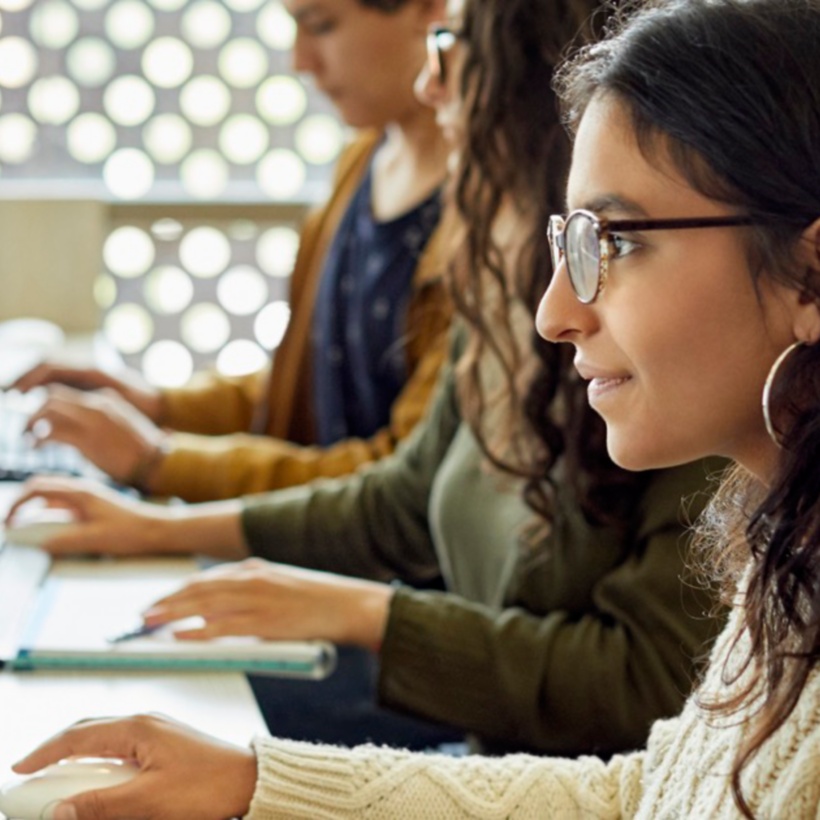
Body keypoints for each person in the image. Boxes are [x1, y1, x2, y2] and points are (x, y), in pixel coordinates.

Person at [8, 0, 727, 761]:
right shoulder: (500, 282)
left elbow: (642, 700)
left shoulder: (677, 365)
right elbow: (395, 491)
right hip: (494, 752)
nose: (429, 83)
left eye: (448, 44)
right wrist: (158, 515)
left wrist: (361, 613)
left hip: (505, 750)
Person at [10, 0, 453, 504]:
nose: (300, 60)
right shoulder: (362, 163)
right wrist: (156, 406)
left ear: (429, 8)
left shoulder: (480, 225)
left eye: (321, 25)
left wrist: (159, 460)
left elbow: (401, 483)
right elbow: (311, 388)